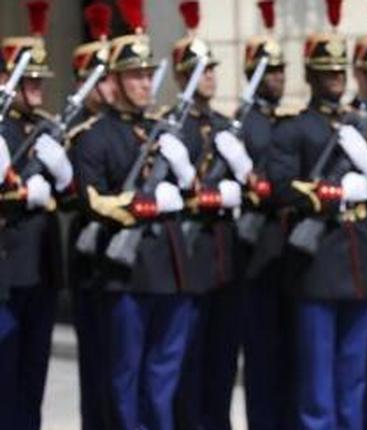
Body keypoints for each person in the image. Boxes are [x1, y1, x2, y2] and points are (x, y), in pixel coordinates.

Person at [73, 1, 196, 427]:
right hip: (125, 276)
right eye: (135, 76)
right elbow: (91, 201)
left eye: (147, 75)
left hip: (172, 272)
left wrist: (184, 173)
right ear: (114, 80)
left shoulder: (167, 131)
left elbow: (196, 194)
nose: (145, 84)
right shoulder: (96, 138)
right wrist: (142, 204)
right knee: (125, 381)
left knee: (163, 381)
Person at [269, 29, 367, 430]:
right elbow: (282, 188)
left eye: (340, 72)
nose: (336, 79)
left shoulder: (361, 124)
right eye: (327, 73)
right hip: (316, 268)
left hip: (358, 262)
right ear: (312, 77)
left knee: (353, 380)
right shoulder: (294, 129)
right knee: (317, 390)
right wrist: (334, 192)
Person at [169, 2, 251, 429]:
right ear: (182, 77)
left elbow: (254, 187)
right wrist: (212, 194)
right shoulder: (171, 128)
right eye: (202, 70)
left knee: (221, 362)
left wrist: (242, 181)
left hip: (225, 260)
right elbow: (175, 193)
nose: (212, 77)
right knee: (190, 362)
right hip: (190, 262)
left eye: (213, 69)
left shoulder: (225, 126)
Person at [0, 4, 75, 427]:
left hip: (43, 269)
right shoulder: (2, 130)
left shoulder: (47, 129)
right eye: (29, 81)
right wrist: (25, 193)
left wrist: (64, 177)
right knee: (5, 378)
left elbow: (71, 197)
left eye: (40, 82)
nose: (37, 89)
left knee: (33, 376)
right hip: (8, 271)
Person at [238, 6, 295, 429]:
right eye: (268, 70)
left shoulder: (286, 122)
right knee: (261, 356)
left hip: (288, 253)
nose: (277, 76)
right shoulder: (243, 125)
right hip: (256, 253)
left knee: (288, 355)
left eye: (279, 69)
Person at [66, 3, 116, 429]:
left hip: (126, 264)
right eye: (102, 82)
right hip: (92, 261)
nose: (112, 89)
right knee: (99, 364)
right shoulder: (76, 135)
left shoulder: (128, 129)